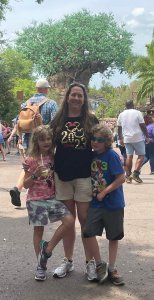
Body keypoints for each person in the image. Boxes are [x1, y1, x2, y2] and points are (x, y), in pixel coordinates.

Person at [50, 82, 100, 281]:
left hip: (84, 175)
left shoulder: (90, 119)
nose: (77, 98)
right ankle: (68, 261)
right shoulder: (58, 119)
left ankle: (90, 263)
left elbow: (101, 144)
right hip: (62, 175)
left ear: (84, 98)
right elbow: (47, 144)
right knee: (68, 222)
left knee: (85, 221)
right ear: (68, 97)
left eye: (80, 95)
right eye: (74, 95)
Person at [23, 125, 74, 281]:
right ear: (36, 141)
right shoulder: (30, 159)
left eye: (48, 139)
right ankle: (41, 266)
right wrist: (34, 175)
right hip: (35, 200)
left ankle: (48, 248)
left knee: (69, 220)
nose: (46, 142)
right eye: (42, 139)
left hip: (52, 198)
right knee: (39, 231)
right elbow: (25, 185)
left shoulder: (54, 156)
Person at [83, 123, 125, 286]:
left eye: (99, 140)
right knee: (88, 232)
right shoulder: (91, 155)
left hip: (113, 203)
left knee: (113, 236)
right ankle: (100, 264)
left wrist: (104, 192)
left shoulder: (111, 155)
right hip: (95, 203)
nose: (95, 142)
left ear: (107, 141)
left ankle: (112, 268)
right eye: (93, 138)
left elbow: (121, 178)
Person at [9, 78, 58, 207]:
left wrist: (19, 136)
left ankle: (18, 188)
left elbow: (17, 121)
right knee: (46, 165)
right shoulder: (51, 103)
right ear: (47, 89)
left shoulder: (25, 103)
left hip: (27, 141)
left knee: (28, 167)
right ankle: (45, 193)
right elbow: (55, 123)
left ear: (36, 89)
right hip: (45, 142)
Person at [117, 100, 149, 184]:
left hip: (127, 138)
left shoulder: (121, 114)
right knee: (141, 155)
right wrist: (147, 136)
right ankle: (135, 173)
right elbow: (142, 125)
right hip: (138, 137)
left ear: (125, 105)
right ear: (133, 105)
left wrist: (120, 138)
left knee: (129, 157)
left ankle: (128, 176)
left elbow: (119, 128)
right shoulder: (138, 113)